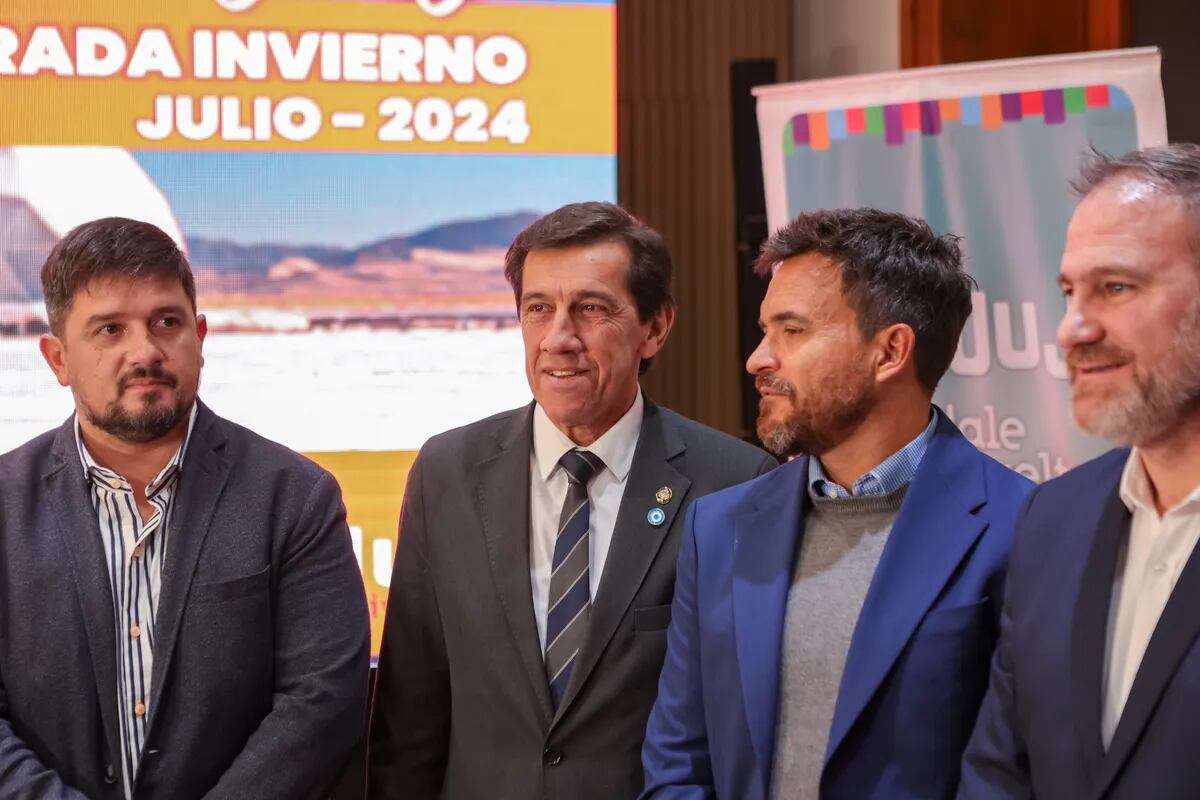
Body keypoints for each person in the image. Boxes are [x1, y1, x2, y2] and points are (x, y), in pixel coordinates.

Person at [367, 201, 777, 799]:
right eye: (538, 309)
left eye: (590, 309)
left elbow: (741, 724)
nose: (559, 338)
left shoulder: (733, 483)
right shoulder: (446, 472)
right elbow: (411, 717)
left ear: (655, 327)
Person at [641, 208, 1035, 799]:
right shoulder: (719, 527)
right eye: (765, 330)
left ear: (890, 351)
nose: (757, 359)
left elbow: (1018, 775)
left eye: (791, 331)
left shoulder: (1024, 528)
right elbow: (678, 763)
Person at [0, 217, 369, 799]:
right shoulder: (5, 505)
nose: (144, 350)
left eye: (165, 322)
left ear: (199, 337)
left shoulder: (294, 496)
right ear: (57, 359)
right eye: (109, 329)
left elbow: (321, 703)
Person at [959, 144, 1200, 798]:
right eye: (1069, 291)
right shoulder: (1051, 520)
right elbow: (998, 772)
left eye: (1116, 287)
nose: (1071, 329)